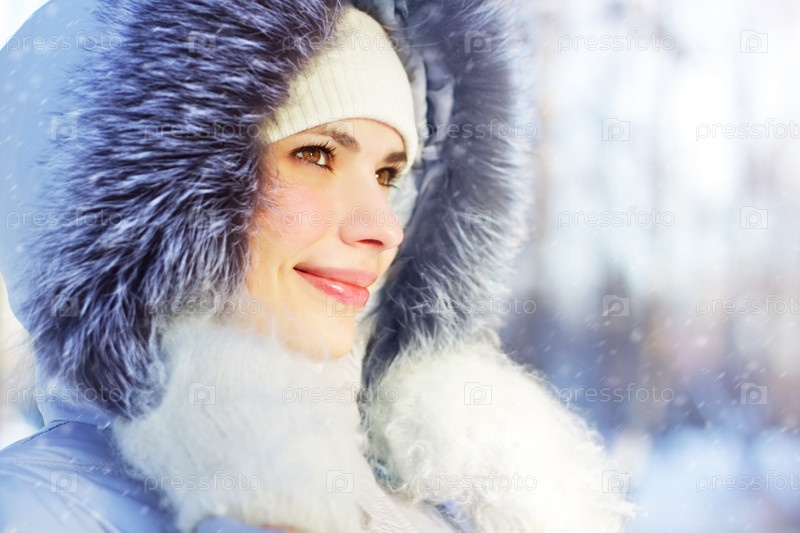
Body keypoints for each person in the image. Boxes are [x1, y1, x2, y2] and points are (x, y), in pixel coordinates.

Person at [0, 0, 635, 531]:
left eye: (387, 175)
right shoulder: (37, 509)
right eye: (316, 155)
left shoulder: (448, 498)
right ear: (162, 201)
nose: (384, 227)